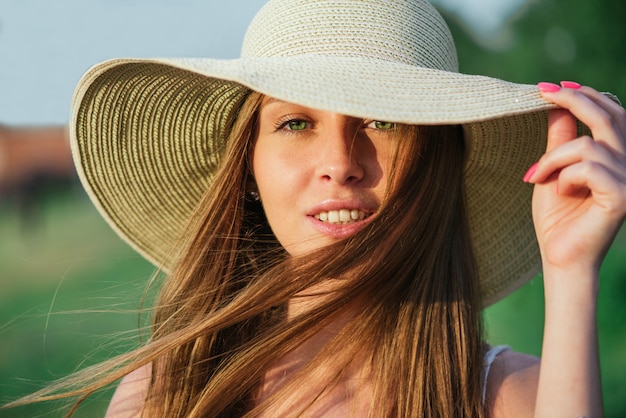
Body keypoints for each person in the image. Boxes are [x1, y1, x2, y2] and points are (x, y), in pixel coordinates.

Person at [6, 0, 625, 416]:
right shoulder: (171, 394)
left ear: (435, 166)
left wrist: (571, 273)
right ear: (248, 168)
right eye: (296, 121)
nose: (340, 161)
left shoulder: (509, 397)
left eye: (384, 120)